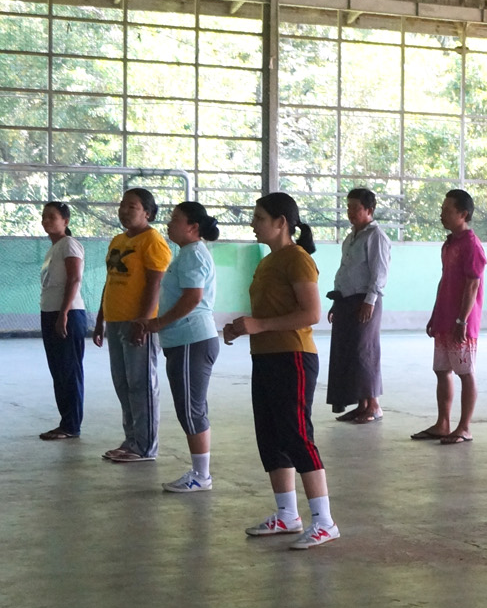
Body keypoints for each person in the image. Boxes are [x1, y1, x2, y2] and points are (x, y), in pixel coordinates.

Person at [224, 193, 339, 549]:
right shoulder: (268, 262)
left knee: (297, 435)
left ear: (281, 223)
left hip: (293, 357)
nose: (253, 224)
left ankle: (324, 521)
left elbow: (311, 314)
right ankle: (287, 514)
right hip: (266, 356)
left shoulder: (297, 259)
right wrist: (242, 328)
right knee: (271, 436)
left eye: (259, 217)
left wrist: (258, 325)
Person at [144, 202, 221, 494]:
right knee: (190, 407)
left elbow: (192, 297)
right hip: (184, 340)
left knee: (191, 410)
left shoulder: (192, 254)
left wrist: (159, 322)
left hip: (192, 339)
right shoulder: (188, 253)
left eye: (176, 219)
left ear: (193, 227)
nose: (169, 223)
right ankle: (199, 472)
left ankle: (201, 475)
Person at [93, 187, 171, 464]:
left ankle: (145, 446)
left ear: (147, 212)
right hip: (115, 320)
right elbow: (110, 283)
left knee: (141, 384)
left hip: (138, 321)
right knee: (123, 383)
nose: (124, 211)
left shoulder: (152, 241)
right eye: (122, 205)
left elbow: (155, 284)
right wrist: (100, 319)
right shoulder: (118, 240)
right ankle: (131, 440)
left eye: (132, 207)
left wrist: (144, 321)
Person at [416, 189, 487, 445]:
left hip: (462, 322)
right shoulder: (449, 244)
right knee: (442, 370)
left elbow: (472, 285)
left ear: (463, 214)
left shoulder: (471, 245)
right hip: (445, 318)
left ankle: (464, 427)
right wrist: (436, 314)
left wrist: (462, 320)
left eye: (447, 210)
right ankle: (443, 423)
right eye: (442, 209)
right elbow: (444, 279)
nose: (442, 214)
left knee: (465, 372)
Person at [326, 186, 390, 424]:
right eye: (348, 207)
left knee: (365, 351)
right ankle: (361, 404)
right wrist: (337, 303)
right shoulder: (351, 237)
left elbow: (379, 272)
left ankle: (374, 405)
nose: (350, 212)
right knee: (350, 353)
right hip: (346, 300)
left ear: (369, 210)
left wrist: (369, 301)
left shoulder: (376, 236)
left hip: (365, 301)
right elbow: (346, 270)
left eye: (356, 208)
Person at [38, 201, 86, 441]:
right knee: (59, 370)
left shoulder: (69, 244)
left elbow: (74, 279)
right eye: (44, 216)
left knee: (69, 370)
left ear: (65, 221)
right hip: (50, 312)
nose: (46, 221)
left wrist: (64, 313)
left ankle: (71, 425)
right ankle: (65, 422)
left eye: (52, 217)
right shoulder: (54, 248)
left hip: (67, 314)